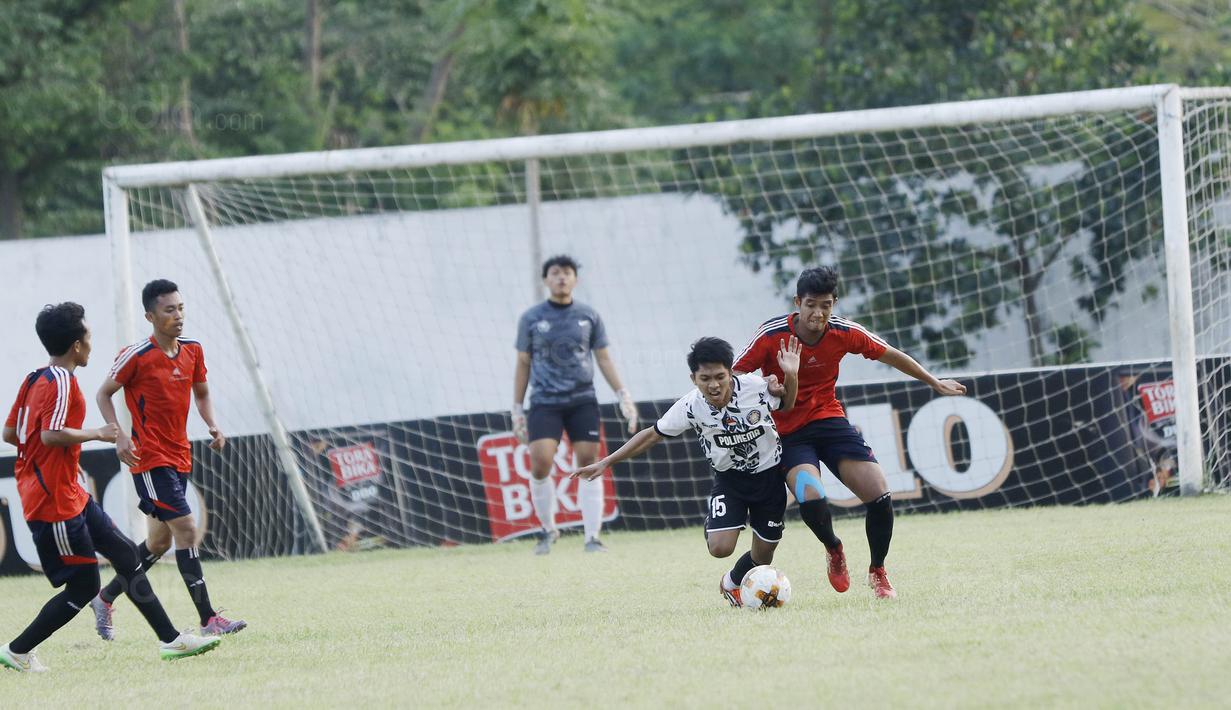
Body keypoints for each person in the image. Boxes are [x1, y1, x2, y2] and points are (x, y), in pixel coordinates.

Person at [0, 303, 220, 672]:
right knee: (83, 587)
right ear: (76, 345)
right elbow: (50, 435)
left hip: (71, 492)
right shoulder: (62, 382)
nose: (91, 341)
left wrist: (46, 455)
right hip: (54, 502)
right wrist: (97, 433)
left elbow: (11, 433)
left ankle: (171, 640)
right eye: (88, 335)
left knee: (126, 555)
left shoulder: (34, 377)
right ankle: (18, 650)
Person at [734, 266, 966, 599]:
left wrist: (934, 381)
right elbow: (735, 373)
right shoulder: (771, 335)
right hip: (788, 433)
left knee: (880, 494)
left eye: (826, 305)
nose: (818, 313)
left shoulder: (844, 332)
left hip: (829, 422)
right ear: (797, 302)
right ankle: (834, 548)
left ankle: (878, 570)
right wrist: (763, 385)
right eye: (811, 304)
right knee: (811, 496)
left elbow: (892, 355)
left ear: (834, 303)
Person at [573, 336, 801, 606]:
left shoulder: (756, 387)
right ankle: (716, 526)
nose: (713, 385)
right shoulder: (691, 405)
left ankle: (731, 581)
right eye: (705, 378)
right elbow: (651, 435)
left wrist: (791, 376)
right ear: (694, 378)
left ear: (731, 372)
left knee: (763, 557)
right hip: (730, 482)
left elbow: (787, 405)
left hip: (769, 478)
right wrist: (606, 461)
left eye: (720, 376)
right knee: (720, 548)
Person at [90, 279, 246, 640]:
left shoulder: (193, 350)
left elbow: (202, 392)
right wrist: (119, 434)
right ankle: (209, 619)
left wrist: (212, 424)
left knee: (159, 543)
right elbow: (103, 394)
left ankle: (105, 597)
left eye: (180, 308)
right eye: (168, 310)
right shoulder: (136, 355)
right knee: (188, 529)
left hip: (180, 456)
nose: (178, 316)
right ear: (150, 315)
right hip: (149, 459)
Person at [513, 255, 638, 554]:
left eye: (567, 273)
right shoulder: (531, 318)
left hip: (582, 400)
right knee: (541, 460)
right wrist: (516, 408)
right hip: (544, 401)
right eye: (555, 273)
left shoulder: (589, 316)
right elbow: (522, 362)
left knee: (588, 462)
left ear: (575, 279)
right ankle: (547, 530)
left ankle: (592, 537)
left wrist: (623, 394)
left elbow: (603, 357)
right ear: (545, 279)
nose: (561, 278)